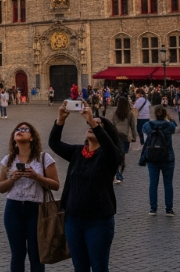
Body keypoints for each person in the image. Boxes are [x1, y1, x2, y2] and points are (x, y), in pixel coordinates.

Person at [49, 104, 123, 271]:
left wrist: (92, 121)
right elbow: (54, 143)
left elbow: (112, 150)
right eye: (90, 124)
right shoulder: (77, 152)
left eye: (98, 124)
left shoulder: (109, 156)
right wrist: (60, 119)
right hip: (73, 220)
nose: (91, 125)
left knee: (98, 267)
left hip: (98, 222)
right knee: (80, 267)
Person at [0, 122, 60, 272]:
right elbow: (1, 188)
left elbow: (56, 185)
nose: (20, 131)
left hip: (36, 209)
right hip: (13, 209)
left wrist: (36, 177)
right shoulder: (8, 159)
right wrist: (12, 179)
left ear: (32, 137)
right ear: (14, 137)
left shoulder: (44, 158)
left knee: (36, 255)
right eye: (18, 129)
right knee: (17, 255)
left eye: (25, 129)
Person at [141, 106, 177, 216]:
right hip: (167, 157)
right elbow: (174, 127)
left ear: (155, 114)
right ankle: (169, 209)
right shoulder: (169, 125)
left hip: (152, 157)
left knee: (153, 183)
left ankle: (153, 208)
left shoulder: (148, 125)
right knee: (168, 183)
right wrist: (169, 119)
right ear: (165, 114)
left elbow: (143, 132)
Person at [111, 96, 135, 184]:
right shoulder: (129, 114)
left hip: (116, 135)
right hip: (125, 137)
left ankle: (117, 174)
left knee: (117, 155)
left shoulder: (115, 113)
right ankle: (119, 175)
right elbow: (133, 126)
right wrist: (134, 137)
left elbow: (112, 125)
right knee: (122, 156)